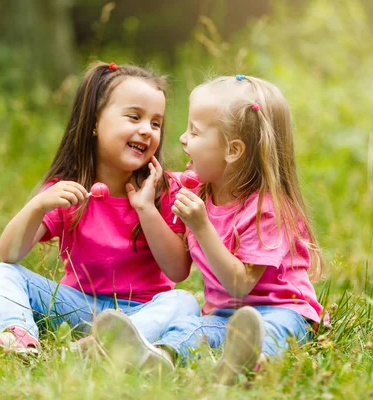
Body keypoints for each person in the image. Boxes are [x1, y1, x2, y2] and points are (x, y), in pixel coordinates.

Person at [92, 74, 327, 384]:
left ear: (233, 150)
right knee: (193, 328)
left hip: (284, 310)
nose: (182, 140)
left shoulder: (269, 210)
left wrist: (202, 227)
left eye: (195, 132)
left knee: (267, 330)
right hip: (221, 314)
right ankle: (160, 357)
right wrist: (143, 201)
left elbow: (239, 285)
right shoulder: (198, 190)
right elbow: (178, 267)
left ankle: (249, 364)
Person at [0, 62, 200, 356]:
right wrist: (38, 205)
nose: (146, 130)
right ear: (95, 123)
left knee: (185, 302)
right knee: (2, 273)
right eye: (134, 117)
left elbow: (178, 270)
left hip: (143, 312)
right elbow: (10, 253)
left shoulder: (164, 189)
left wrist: (146, 209)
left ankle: (101, 345)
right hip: (78, 306)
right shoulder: (69, 188)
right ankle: (20, 337)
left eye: (155, 123)